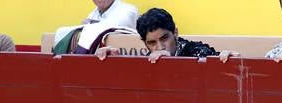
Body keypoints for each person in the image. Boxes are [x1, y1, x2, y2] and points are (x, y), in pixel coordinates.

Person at [96, 8, 238, 63]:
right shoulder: (147, 60)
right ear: (144, 43)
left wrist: (228, 59)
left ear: (175, 33)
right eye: (152, 43)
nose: (160, 47)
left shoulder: (196, 51)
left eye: (164, 38)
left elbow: (218, 65)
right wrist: (113, 62)